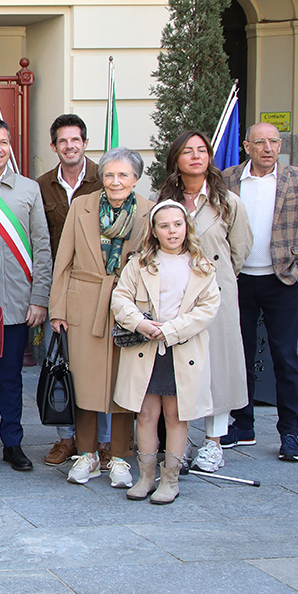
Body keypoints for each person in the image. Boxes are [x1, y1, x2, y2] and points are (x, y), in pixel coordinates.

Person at [50, 147, 155, 487]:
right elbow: (64, 258)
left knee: (125, 383)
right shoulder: (82, 205)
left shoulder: (149, 213)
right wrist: (58, 308)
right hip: (85, 302)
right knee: (85, 382)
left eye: (123, 175)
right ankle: (87, 455)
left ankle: (121, 458)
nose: (115, 181)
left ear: (136, 178)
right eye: (110, 174)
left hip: (129, 306)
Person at [223, 122, 298, 461]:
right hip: (240, 281)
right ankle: (243, 425)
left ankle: (290, 434)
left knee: (285, 359)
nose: (267, 148)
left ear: (280, 145)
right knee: (241, 357)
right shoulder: (227, 180)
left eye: (273, 141)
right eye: (260, 142)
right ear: (246, 146)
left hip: (281, 281)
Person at [111, 201, 220, 504]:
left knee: (176, 414)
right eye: (164, 226)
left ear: (187, 227)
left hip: (182, 350)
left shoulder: (202, 266)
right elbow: (120, 299)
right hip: (147, 348)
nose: (172, 231)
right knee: (146, 413)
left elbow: (207, 309)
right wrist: (141, 324)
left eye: (177, 224)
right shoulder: (140, 263)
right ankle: (146, 476)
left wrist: (170, 330)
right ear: (154, 231)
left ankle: (170, 479)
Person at [156, 130, 252, 472]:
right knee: (180, 368)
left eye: (201, 150)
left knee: (218, 367)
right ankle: (177, 443)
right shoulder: (164, 200)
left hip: (217, 293)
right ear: (176, 160)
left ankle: (214, 442)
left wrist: (216, 278)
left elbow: (239, 249)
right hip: (176, 295)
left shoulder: (228, 201)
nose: (196, 156)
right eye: (187, 151)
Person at [0, 119, 51, 473]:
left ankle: (13, 443)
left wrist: (40, 298)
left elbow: (42, 246)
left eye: (4, 142)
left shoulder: (30, 189)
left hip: (18, 304)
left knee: (13, 379)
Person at [36, 115, 104, 466]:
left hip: (97, 286)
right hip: (59, 286)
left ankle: (104, 442)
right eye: (63, 141)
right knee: (60, 362)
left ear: (85, 142)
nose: (70, 146)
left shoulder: (104, 179)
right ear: (54, 147)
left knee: (99, 365)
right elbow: (40, 243)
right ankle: (66, 439)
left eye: (75, 140)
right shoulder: (42, 185)